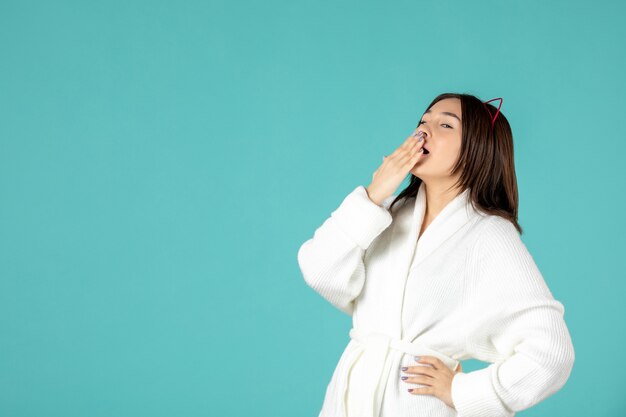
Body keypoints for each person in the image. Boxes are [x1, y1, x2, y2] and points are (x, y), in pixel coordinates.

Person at [296, 93, 575, 417]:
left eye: (445, 124)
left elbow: (551, 353)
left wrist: (464, 392)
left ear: (476, 150)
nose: (425, 130)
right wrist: (373, 194)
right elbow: (318, 270)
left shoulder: (489, 235)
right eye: (423, 121)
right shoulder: (386, 214)